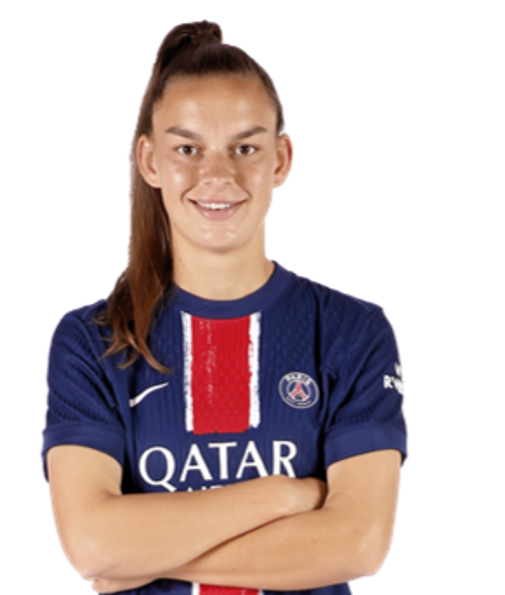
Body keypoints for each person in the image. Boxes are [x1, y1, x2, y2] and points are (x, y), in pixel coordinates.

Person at [40, 20, 408, 595]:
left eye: (246, 147)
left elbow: (358, 544)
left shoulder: (352, 331)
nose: (217, 175)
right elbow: (91, 543)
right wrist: (287, 495)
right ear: (150, 160)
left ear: (282, 159)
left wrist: (136, 556)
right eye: (187, 148)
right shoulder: (93, 339)